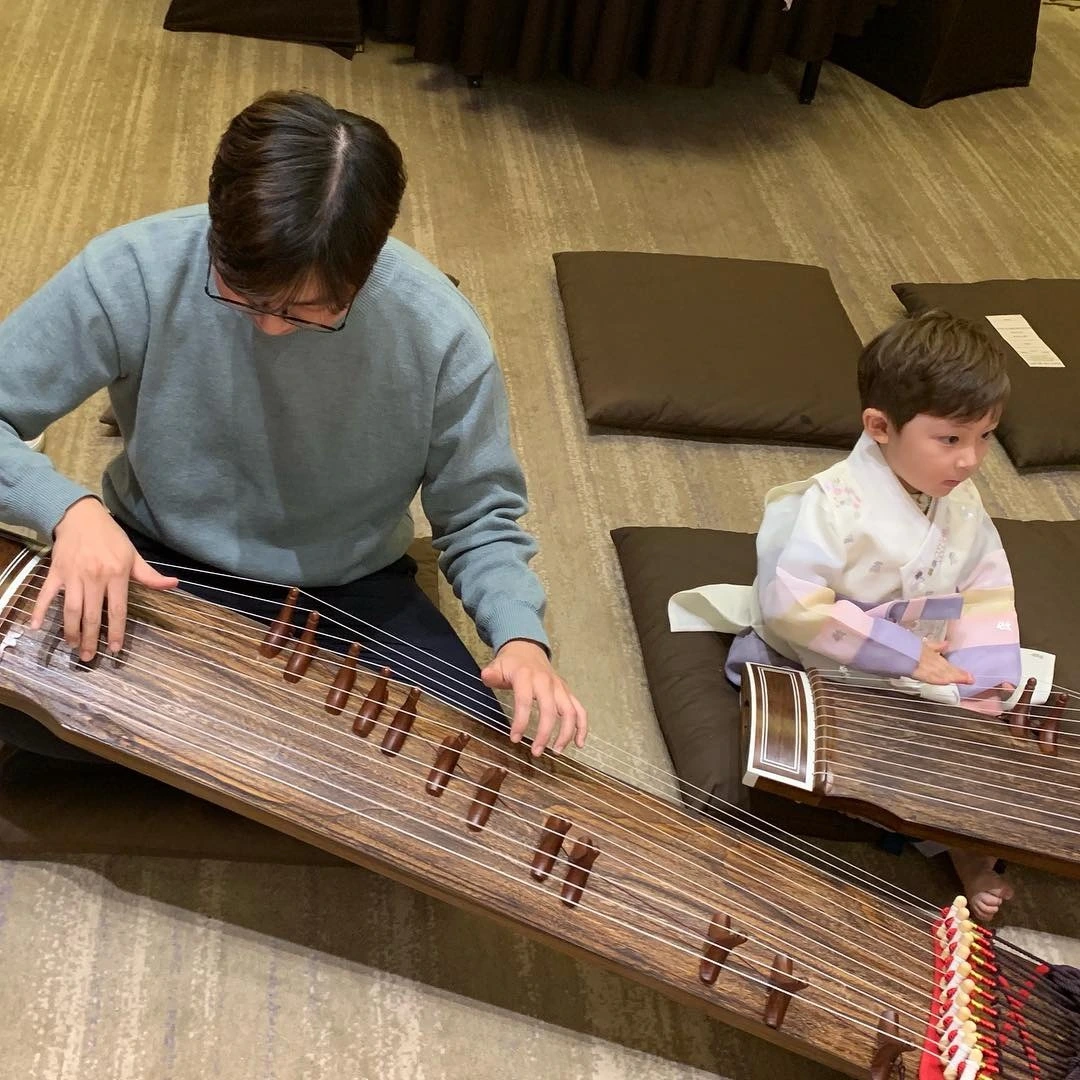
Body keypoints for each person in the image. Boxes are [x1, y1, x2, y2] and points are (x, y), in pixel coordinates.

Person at [0, 89, 586, 768]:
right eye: (244, 296)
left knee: (467, 768)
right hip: (153, 557)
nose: (272, 328)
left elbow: (479, 516)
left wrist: (520, 637)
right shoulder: (135, 269)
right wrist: (69, 511)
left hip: (346, 591)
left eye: (308, 309)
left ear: (367, 265)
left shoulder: (440, 335)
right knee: (27, 702)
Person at [671, 310, 1021, 921]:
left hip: (921, 655)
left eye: (985, 437)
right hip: (826, 656)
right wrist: (904, 654)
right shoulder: (830, 504)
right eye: (951, 439)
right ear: (880, 426)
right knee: (873, 754)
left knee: (984, 734)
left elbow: (986, 587)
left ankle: (967, 846)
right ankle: (946, 842)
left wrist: (982, 673)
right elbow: (793, 605)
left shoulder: (959, 500)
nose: (971, 461)